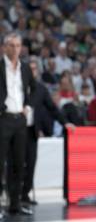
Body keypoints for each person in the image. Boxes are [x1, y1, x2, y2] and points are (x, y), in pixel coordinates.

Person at [22, 59, 75, 205]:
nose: (32, 72)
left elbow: (52, 108)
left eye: (34, 69)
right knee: (17, 164)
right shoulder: (16, 87)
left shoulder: (41, 89)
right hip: (15, 130)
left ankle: (24, 195)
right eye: (29, 69)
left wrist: (65, 123)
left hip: (32, 131)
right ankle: (14, 196)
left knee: (31, 164)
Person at [0, 33, 36, 217]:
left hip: (20, 121)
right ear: (4, 47)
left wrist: (28, 105)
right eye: (11, 45)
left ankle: (15, 204)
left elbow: (35, 89)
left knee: (18, 164)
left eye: (17, 45)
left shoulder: (25, 68)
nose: (15, 49)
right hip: (3, 119)